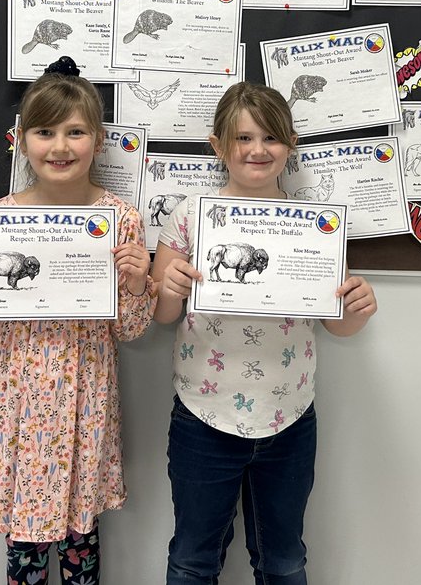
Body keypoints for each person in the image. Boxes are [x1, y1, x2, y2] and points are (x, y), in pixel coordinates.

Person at [0, 57, 155, 585]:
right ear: (21, 140)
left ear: (98, 141)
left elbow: (130, 331)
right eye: (45, 132)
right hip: (19, 397)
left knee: (81, 534)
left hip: (85, 397)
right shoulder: (2, 214)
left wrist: (137, 284)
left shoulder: (120, 219)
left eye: (75, 132)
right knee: (25, 538)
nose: (60, 146)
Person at [151, 81, 377, 585]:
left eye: (271, 138)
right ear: (218, 145)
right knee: (192, 556)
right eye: (243, 138)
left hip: (289, 415)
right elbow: (163, 316)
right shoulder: (190, 216)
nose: (257, 150)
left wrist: (357, 311)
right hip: (203, 414)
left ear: (290, 144)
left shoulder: (313, 226)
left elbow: (337, 322)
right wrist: (167, 287)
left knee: (284, 559)